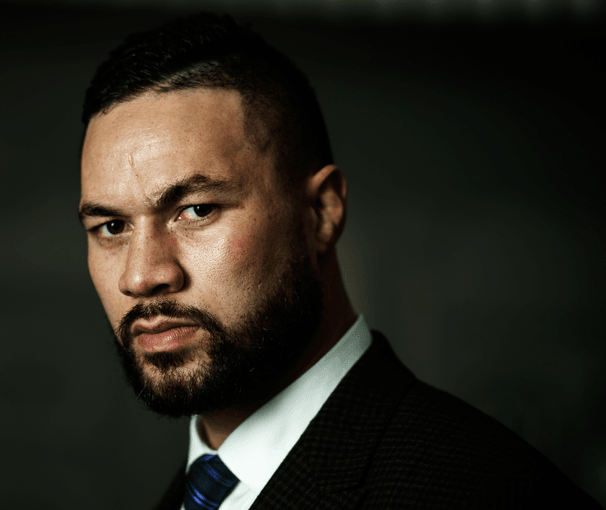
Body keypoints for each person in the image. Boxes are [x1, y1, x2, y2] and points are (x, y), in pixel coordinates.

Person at [77, 12, 600, 510]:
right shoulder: (192, 494)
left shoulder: (486, 494)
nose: (140, 276)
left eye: (196, 210)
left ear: (321, 213)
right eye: (112, 227)